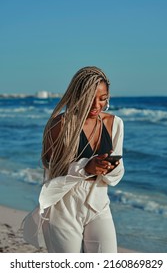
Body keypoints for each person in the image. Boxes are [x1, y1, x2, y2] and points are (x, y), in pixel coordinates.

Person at [23, 66, 124, 253]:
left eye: (103, 99)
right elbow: (51, 172)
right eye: (89, 98)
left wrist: (110, 168)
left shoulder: (114, 124)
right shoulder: (59, 126)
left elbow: (117, 175)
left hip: (99, 204)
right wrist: (87, 168)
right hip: (64, 207)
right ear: (77, 96)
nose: (96, 105)